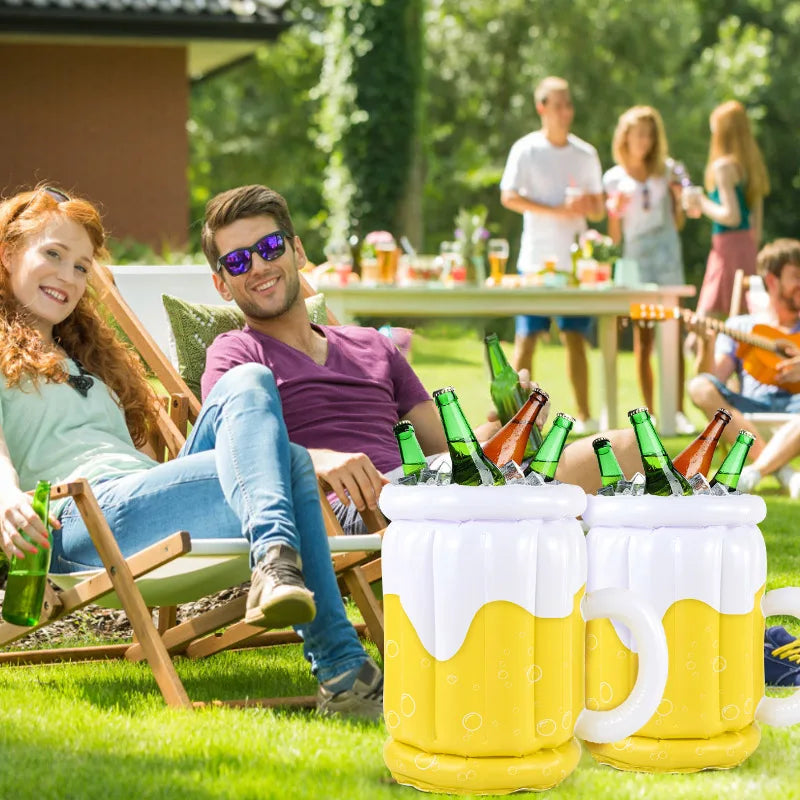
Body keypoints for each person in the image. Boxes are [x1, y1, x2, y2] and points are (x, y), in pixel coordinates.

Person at [0, 186, 382, 719]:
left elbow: (140, 459)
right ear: (8, 253)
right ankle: (332, 653)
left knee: (249, 380)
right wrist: (5, 496)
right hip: (78, 520)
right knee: (292, 461)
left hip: (139, 504)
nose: (68, 276)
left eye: (82, 267)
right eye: (54, 255)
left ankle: (282, 575)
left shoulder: (84, 358)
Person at [199, 184, 643, 536]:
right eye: (236, 261)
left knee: (624, 449)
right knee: (504, 500)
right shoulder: (236, 354)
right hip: (358, 510)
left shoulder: (371, 345)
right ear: (222, 285)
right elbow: (229, 453)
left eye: (269, 247)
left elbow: (447, 449)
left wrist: (509, 424)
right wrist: (315, 461)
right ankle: (527, 536)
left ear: (296, 251)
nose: (258, 266)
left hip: (431, 487)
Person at [499, 76, 605, 434]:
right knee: (526, 339)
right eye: (558, 105)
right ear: (541, 107)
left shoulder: (585, 153)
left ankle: (586, 417)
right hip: (535, 261)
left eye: (568, 104)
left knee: (575, 339)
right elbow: (508, 196)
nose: (565, 112)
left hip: (575, 265)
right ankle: (515, 417)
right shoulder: (526, 149)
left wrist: (586, 204)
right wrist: (555, 209)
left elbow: (599, 209)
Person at [603, 105, 695, 435]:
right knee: (643, 336)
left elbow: (679, 220)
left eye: (650, 134)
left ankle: (678, 411)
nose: (645, 140)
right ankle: (651, 414)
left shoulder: (668, 171)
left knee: (672, 333)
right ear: (625, 137)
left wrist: (680, 199)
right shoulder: (613, 178)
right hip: (637, 259)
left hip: (667, 255)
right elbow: (615, 236)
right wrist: (615, 211)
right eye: (639, 134)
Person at [687, 238, 800, 496]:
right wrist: (706, 343)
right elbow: (713, 378)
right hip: (750, 407)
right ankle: (783, 472)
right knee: (698, 387)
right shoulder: (740, 326)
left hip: (797, 406)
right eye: (796, 276)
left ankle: (755, 472)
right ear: (772, 281)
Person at [683, 100, 770, 374]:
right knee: (742, 326)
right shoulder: (751, 165)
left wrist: (701, 202)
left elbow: (731, 216)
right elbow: (756, 224)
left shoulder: (723, 167)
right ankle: (729, 380)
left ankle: (707, 383)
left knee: (699, 327)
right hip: (746, 248)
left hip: (727, 249)